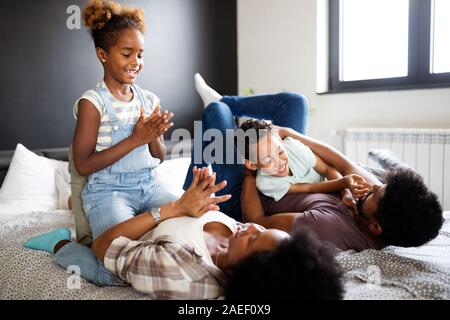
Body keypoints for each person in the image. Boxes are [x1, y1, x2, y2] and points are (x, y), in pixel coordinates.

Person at [187, 74, 444, 251]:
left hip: (250, 191)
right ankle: (225, 100)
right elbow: (338, 162)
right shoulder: (376, 205)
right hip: (286, 166)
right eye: (379, 186)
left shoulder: (326, 227)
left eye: (376, 194)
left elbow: (256, 220)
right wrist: (289, 135)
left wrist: (252, 170)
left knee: (215, 114)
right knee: (295, 103)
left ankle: (191, 181)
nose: (373, 187)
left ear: (375, 227)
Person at [24, 167, 344, 300]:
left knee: (98, 266)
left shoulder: (183, 273)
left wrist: (173, 210)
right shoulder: (239, 241)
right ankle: (70, 201)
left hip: (127, 238)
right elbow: (189, 216)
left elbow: (105, 245)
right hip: (161, 217)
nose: (249, 226)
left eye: (251, 238)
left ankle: (61, 242)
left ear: (237, 271)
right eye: (261, 228)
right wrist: (196, 195)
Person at [72, 0, 176, 245]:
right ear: (103, 55)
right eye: (127, 54)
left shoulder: (149, 99)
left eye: (140, 55)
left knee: (193, 224)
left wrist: (153, 136)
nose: (136, 62)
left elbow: (159, 156)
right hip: (109, 192)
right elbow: (82, 165)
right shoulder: (93, 103)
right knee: (115, 257)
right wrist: (135, 139)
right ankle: (62, 245)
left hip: (149, 187)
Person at [235, 118, 370, 204]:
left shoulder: (293, 146)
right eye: (268, 160)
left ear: (281, 141)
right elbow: (309, 188)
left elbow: (328, 169)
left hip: (334, 181)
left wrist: (346, 193)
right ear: (252, 164)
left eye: (280, 151)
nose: (280, 162)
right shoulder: (266, 183)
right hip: (330, 187)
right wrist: (343, 183)